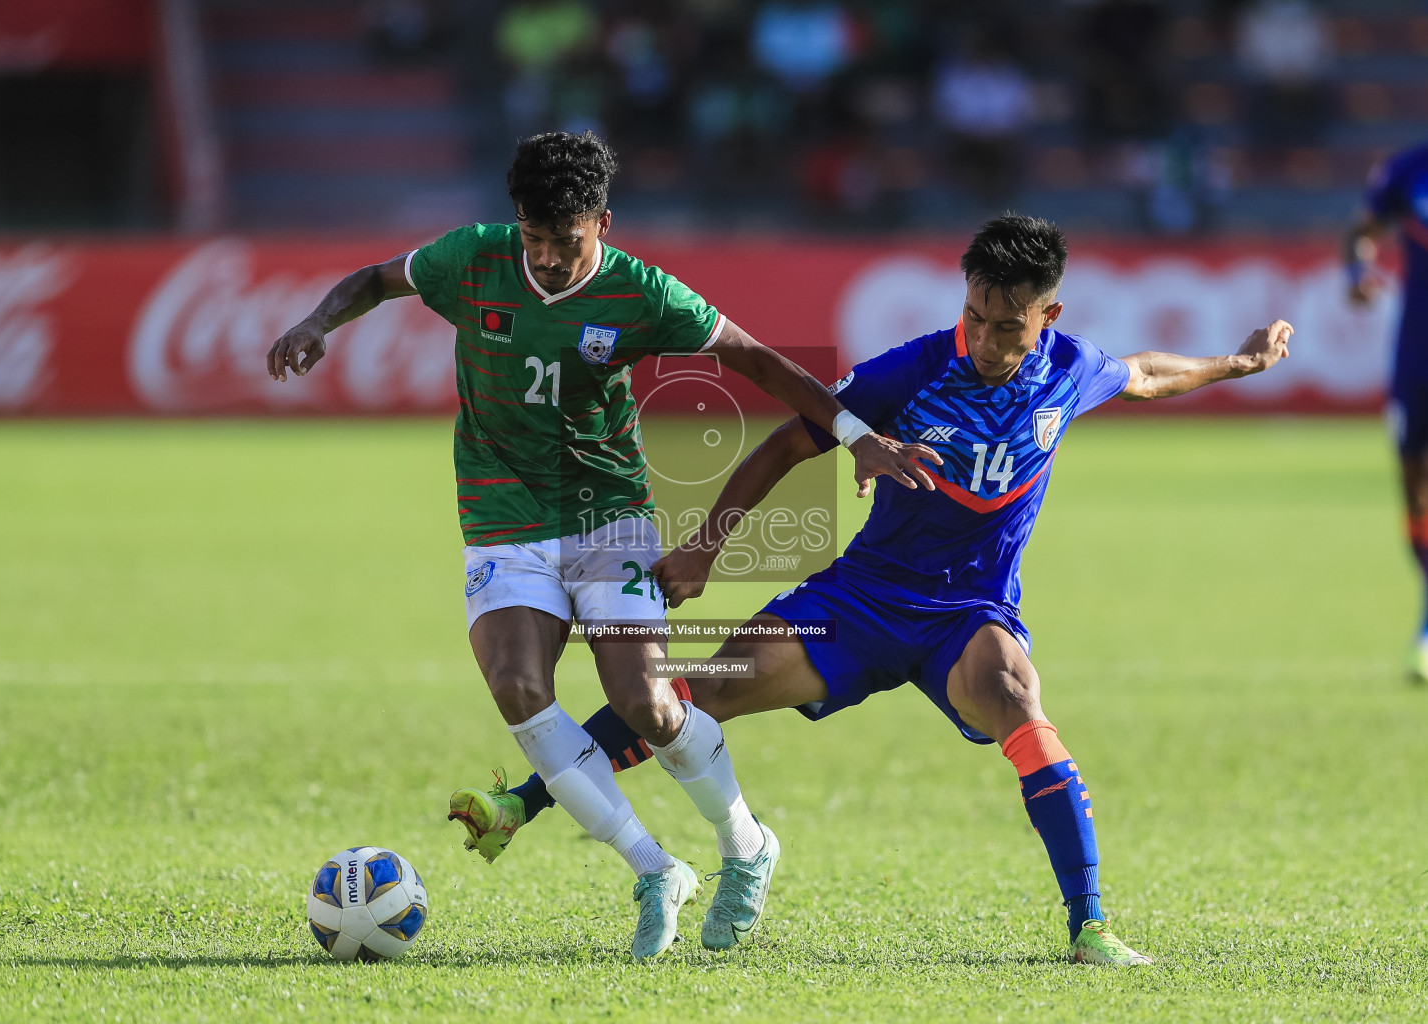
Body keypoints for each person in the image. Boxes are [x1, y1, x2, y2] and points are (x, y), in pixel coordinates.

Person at [452, 214, 1294, 963]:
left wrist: (1235, 363)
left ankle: (1089, 927)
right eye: (974, 316)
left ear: (1048, 317)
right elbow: (787, 446)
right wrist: (707, 550)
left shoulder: (1070, 370)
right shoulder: (911, 371)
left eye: (1007, 327)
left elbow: (1145, 373)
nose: (986, 340)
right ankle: (525, 803)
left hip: (966, 616)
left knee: (1021, 706)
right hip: (855, 605)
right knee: (694, 691)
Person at [265, 131, 935, 960]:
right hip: (500, 516)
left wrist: (854, 432)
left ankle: (747, 843)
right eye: (534, 239)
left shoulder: (641, 293)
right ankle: (654, 869)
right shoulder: (468, 260)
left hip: (608, 517)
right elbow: (373, 279)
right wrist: (314, 321)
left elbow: (756, 360)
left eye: (566, 241)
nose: (546, 258)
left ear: (603, 224)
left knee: (647, 708)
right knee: (517, 687)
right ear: (515, 222)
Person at [1344, 141, 1428, 681]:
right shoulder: (1407, 169)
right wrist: (1358, 273)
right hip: (1416, 353)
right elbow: (1364, 233)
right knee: (1414, 482)